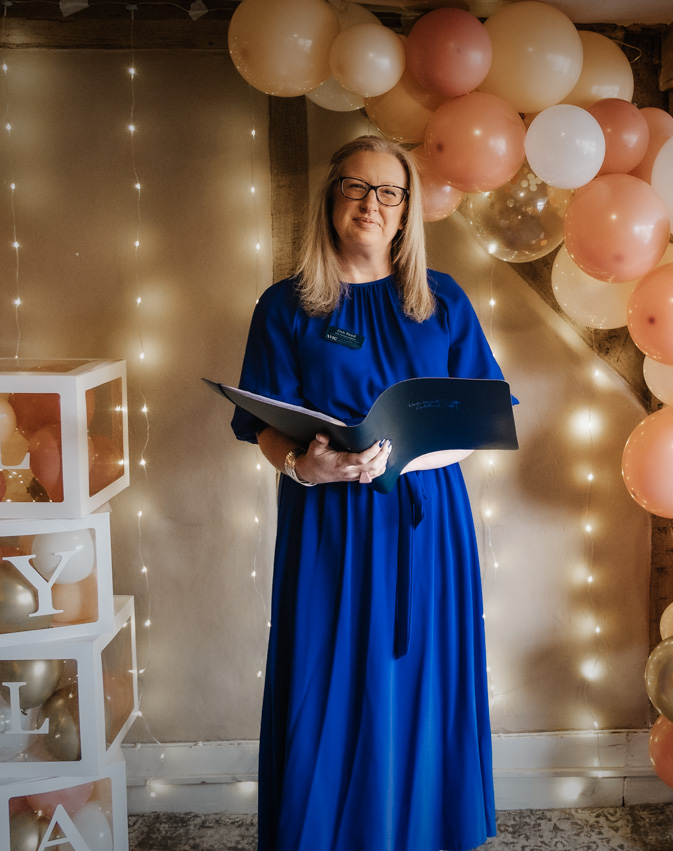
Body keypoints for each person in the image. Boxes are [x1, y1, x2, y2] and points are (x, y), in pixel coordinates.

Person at [230, 135, 513, 851]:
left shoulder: (441, 299)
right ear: (330, 199)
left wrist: (408, 454)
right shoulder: (283, 306)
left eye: (389, 192)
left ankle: (420, 832)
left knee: (419, 681)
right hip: (327, 523)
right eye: (357, 187)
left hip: (425, 526)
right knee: (324, 686)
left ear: (407, 212)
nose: (371, 203)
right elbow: (259, 423)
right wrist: (305, 467)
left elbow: (483, 416)